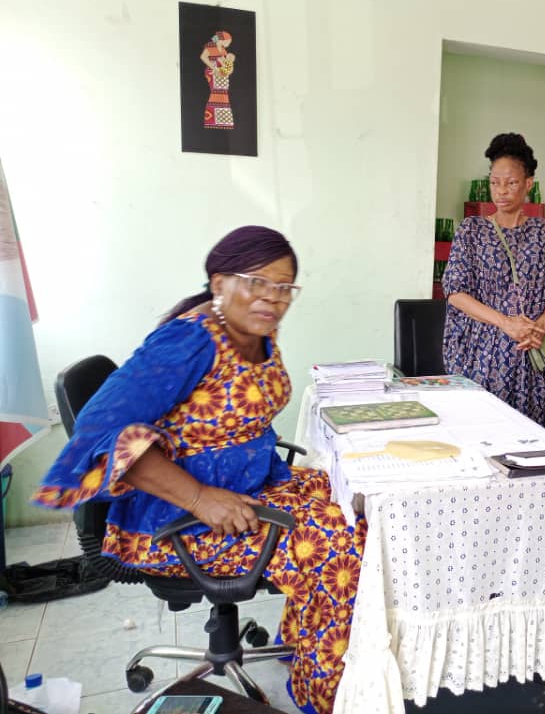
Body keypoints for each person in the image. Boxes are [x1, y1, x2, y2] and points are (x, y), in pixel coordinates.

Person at [33, 226, 362, 714]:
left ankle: (304, 643)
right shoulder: (188, 340)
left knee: (349, 503)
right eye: (257, 282)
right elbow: (98, 431)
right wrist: (200, 498)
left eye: (283, 286)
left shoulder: (255, 327)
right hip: (179, 520)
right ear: (219, 283)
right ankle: (325, 697)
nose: (272, 298)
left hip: (250, 485)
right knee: (343, 546)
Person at [441, 132, 545, 423]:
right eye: (494, 182)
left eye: (511, 183)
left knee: (527, 432)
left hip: (531, 351)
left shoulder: (544, 232)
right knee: (480, 426)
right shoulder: (472, 230)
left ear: (528, 184)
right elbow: (454, 292)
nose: (501, 191)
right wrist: (505, 323)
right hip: (481, 352)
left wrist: (541, 325)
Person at [200, 31, 236, 130]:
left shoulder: (223, 50)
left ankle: (224, 119)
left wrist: (226, 68)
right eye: (228, 42)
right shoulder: (210, 46)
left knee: (223, 93)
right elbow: (203, 57)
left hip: (221, 72)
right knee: (216, 92)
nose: (228, 44)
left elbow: (226, 63)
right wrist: (214, 67)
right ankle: (212, 119)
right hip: (212, 72)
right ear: (223, 40)